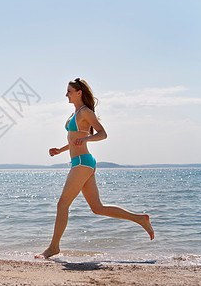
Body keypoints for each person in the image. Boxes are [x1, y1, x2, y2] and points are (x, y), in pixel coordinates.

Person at [35, 78, 154, 259]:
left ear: (78, 93)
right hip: (81, 163)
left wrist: (86, 139)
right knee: (97, 208)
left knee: (62, 204)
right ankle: (140, 219)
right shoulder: (74, 114)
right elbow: (74, 139)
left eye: (69, 91)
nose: (66, 94)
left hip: (83, 162)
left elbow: (103, 133)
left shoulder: (85, 112)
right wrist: (60, 150)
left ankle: (53, 247)